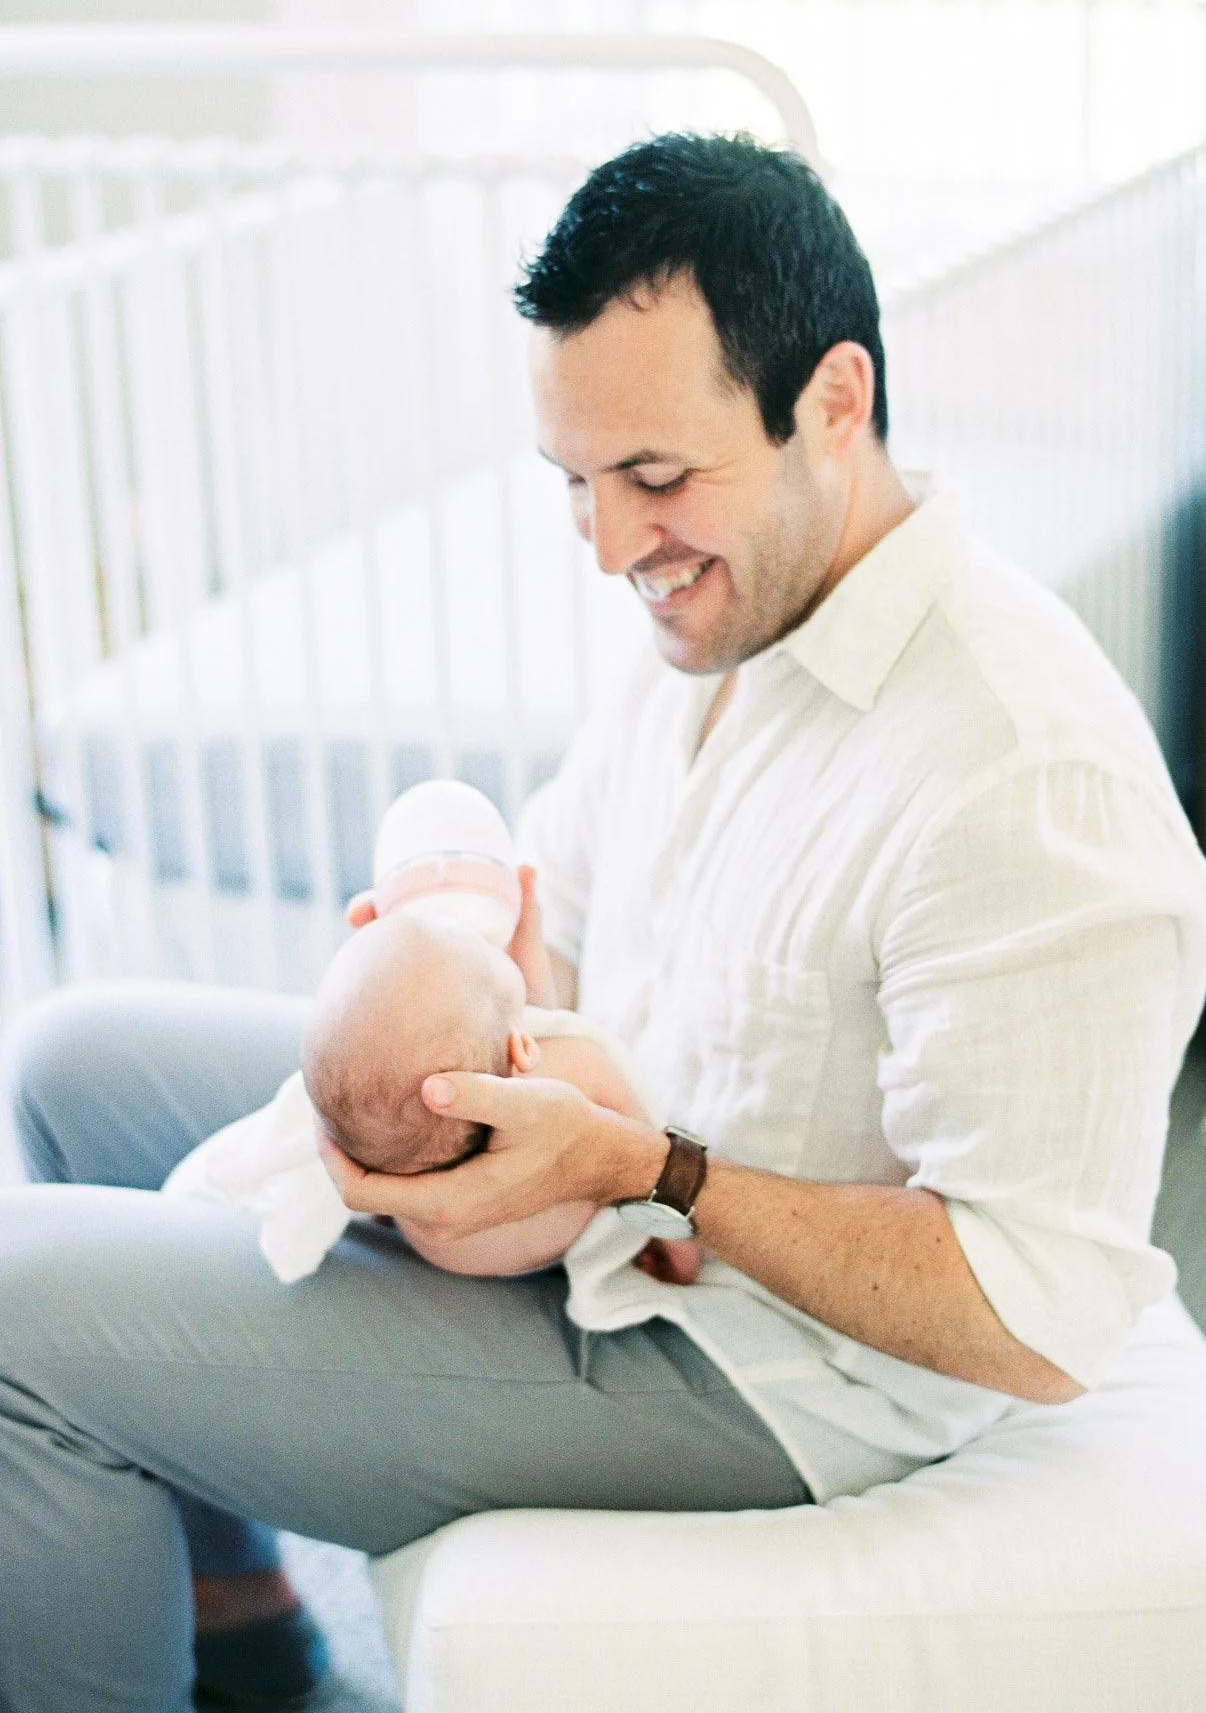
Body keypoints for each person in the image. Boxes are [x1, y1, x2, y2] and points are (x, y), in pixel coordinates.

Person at [3, 131, 1206, 1713]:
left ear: (832, 404)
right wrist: (454, 980)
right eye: (575, 483)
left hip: (750, 1372)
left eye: (653, 478)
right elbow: (554, 907)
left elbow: (1028, 1307)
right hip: (598, 1205)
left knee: (16, 1314)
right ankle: (243, 1633)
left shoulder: (1018, 772)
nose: (607, 545)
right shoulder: (727, 615)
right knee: (72, 1063)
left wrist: (646, 1167)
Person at [164, 902, 700, 1283]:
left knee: (392, 1101)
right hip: (548, 1255)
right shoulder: (580, 1064)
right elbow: (647, 1148)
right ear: (522, 1046)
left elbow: (519, 1030)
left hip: (440, 1255)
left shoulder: (391, 1129)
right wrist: (677, 1253)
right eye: (487, 957)